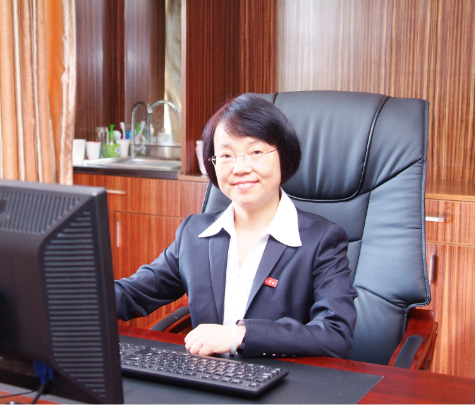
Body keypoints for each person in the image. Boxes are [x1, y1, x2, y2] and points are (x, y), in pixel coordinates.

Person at [115, 94, 357, 358]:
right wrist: (79, 295)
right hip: (207, 376)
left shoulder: (321, 240)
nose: (240, 168)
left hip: (284, 378)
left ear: (283, 155)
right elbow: (132, 294)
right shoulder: (194, 234)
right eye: (226, 155)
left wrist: (238, 336)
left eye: (256, 152)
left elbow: (335, 334)